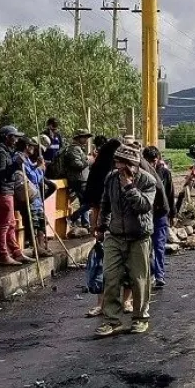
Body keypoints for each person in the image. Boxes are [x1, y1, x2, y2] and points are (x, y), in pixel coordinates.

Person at [94, 145, 158, 337]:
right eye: (116, 162)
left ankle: (140, 318)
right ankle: (112, 320)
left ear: (133, 165)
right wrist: (101, 226)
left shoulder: (147, 181)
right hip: (115, 235)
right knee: (111, 277)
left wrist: (130, 186)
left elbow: (143, 206)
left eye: (121, 163)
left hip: (139, 237)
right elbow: (105, 203)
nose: (118, 166)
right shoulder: (111, 179)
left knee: (139, 280)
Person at [83, 138, 122, 319]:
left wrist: (95, 227)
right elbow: (98, 204)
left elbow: (93, 204)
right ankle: (123, 302)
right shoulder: (114, 172)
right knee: (116, 265)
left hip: (107, 226)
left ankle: (102, 304)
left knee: (103, 266)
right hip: (116, 226)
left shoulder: (98, 170)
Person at [0, 125, 33, 267]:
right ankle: (3, 255)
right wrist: (16, 164)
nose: (16, 140)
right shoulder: (0, 152)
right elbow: (2, 173)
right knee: (5, 224)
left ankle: (16, 251)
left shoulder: (5, 151)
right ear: (7, 137)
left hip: (6, 191)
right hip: (2, 192)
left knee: (11, 223)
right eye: (14, 137)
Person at [13, 137, 53, 259]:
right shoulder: (19, 159)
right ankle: (36, 247)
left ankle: (41, 246)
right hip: (28, 195)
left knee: (40, 221)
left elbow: (38, 178)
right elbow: (32, 177)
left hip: (36, 196)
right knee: (32, 223)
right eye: (31, 146)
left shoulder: (28, 160)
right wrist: (39, 168)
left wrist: (40, 167)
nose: (33, 149)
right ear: (26, 146)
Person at [143, 146, 176, 289]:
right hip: (145, 215)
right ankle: (150, 272)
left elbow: (170, 194)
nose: (152, 165)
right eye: (149, 162)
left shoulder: (164, 173)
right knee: (146, 247)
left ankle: (159, 275)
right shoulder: (140, 175)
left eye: (154, 161)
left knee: (159, 246)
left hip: (160, 214)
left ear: (158, 160)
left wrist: (173, 214)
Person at [62, 129, 92, 228]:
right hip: (78, 180)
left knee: (84, 202)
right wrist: (89, 160)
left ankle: (85, 224)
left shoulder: (79, 149)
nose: (87, 140)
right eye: (85, 137)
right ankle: (73, 217)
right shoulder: (74, 149)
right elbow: (77, 164)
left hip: (82, 179)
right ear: (79, 138)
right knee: (89, 202)